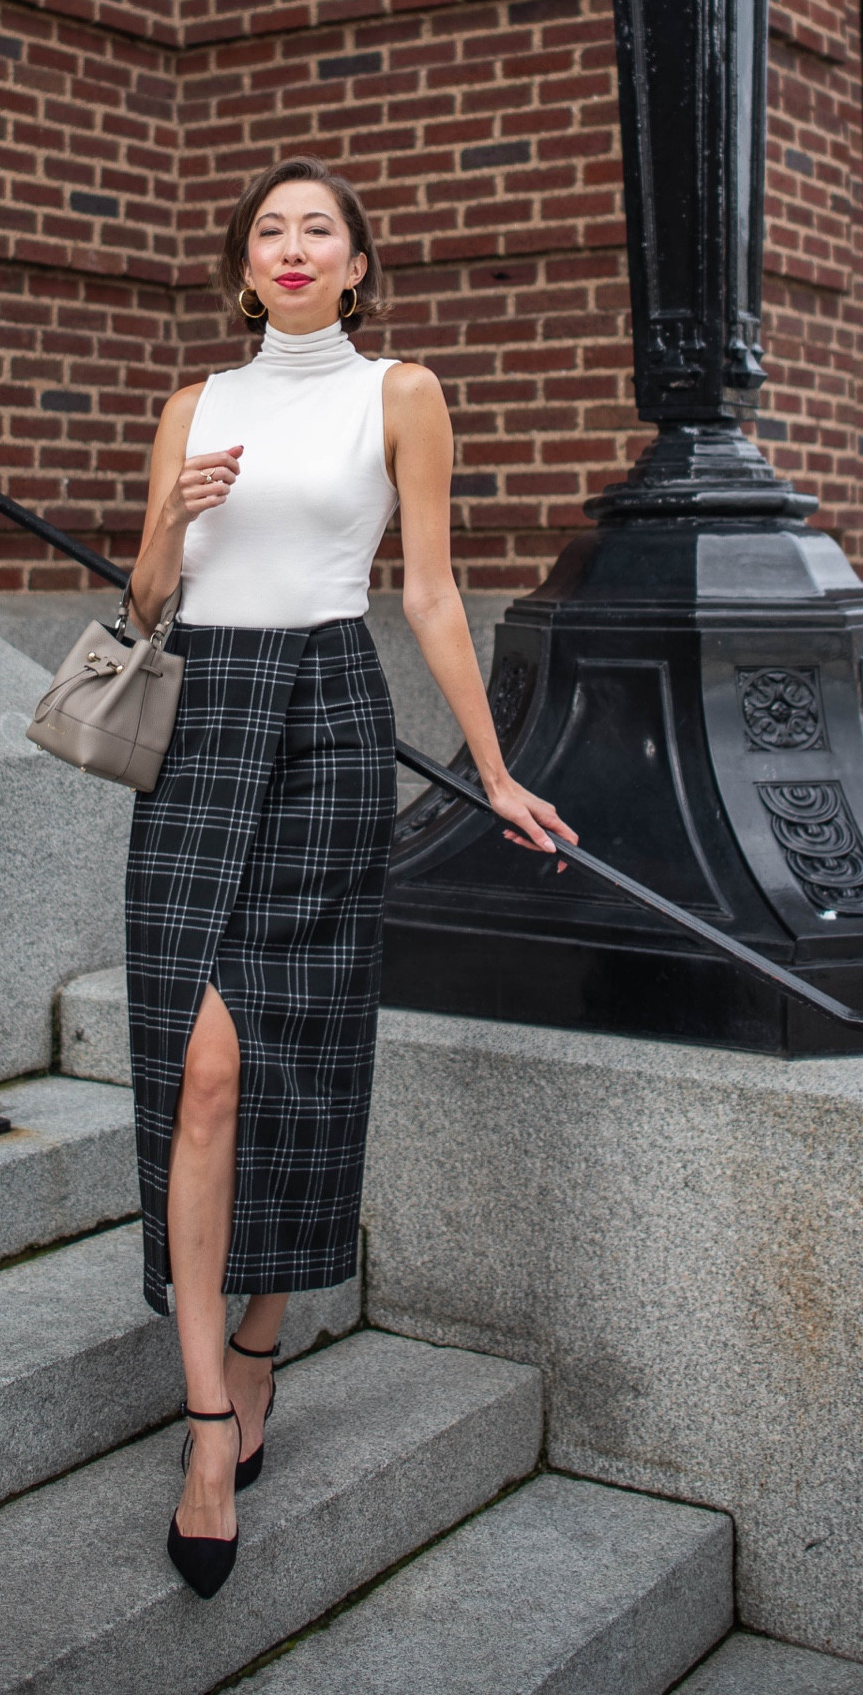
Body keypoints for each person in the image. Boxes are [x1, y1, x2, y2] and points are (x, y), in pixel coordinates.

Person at [124, 155, 576, 1598]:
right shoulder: (194, 404)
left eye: (321, 228)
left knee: (301, 1059)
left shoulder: (402, 392)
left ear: (357, 264)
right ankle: (210, 1420)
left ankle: (263, 1335)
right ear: (244, 269)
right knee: (197, 1068)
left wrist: (493, 770)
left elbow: (430, 590)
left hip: (326, 715)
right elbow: (143, 600)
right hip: (201, 720)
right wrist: (164, 523)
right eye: (271, 230)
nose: (296, 246)